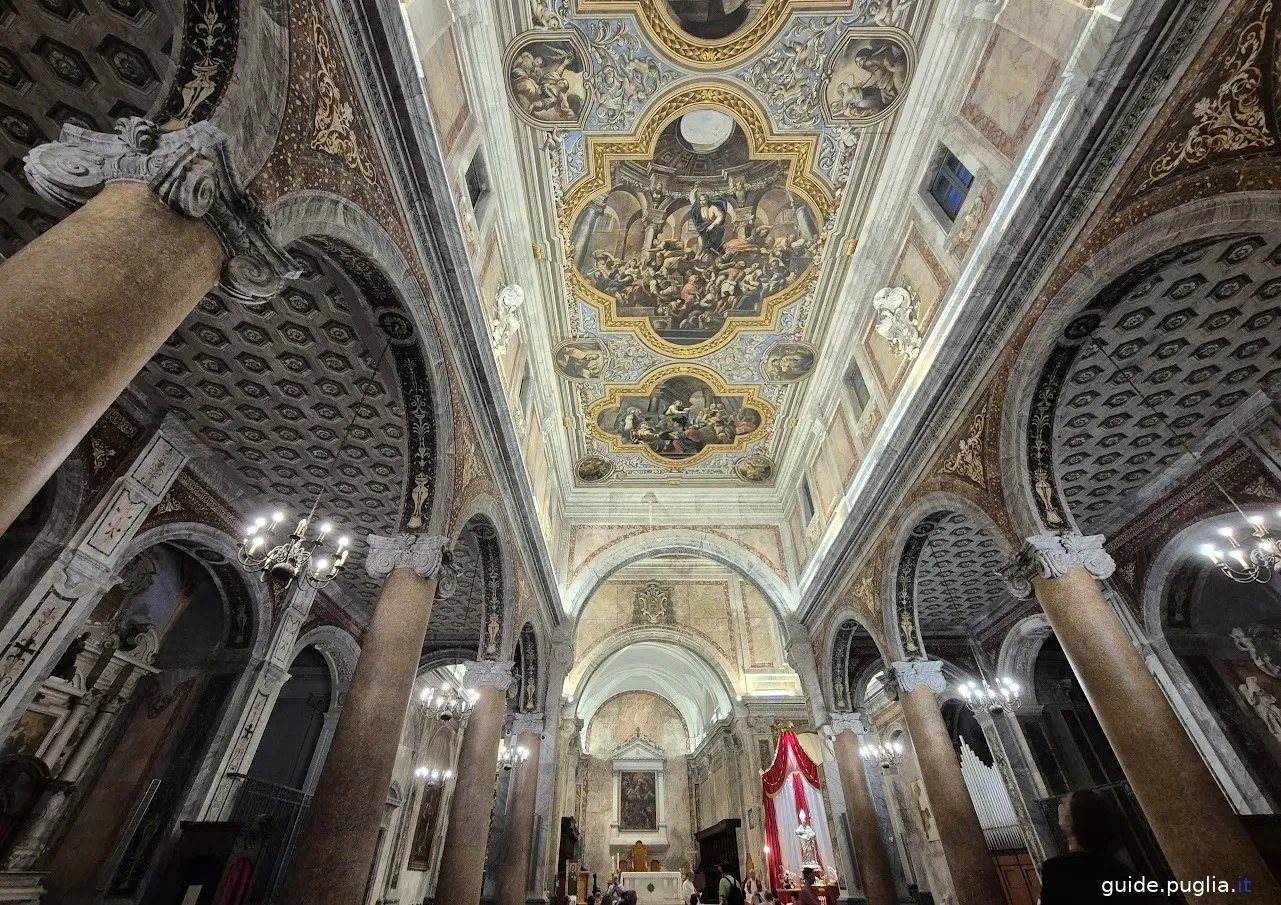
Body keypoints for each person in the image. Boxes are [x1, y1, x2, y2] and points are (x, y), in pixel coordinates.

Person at [1039, 790, 1154, 903]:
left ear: (1071, 822)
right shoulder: (1121, 872)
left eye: (1066, 803)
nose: (1062, 800)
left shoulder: (1058, 870)